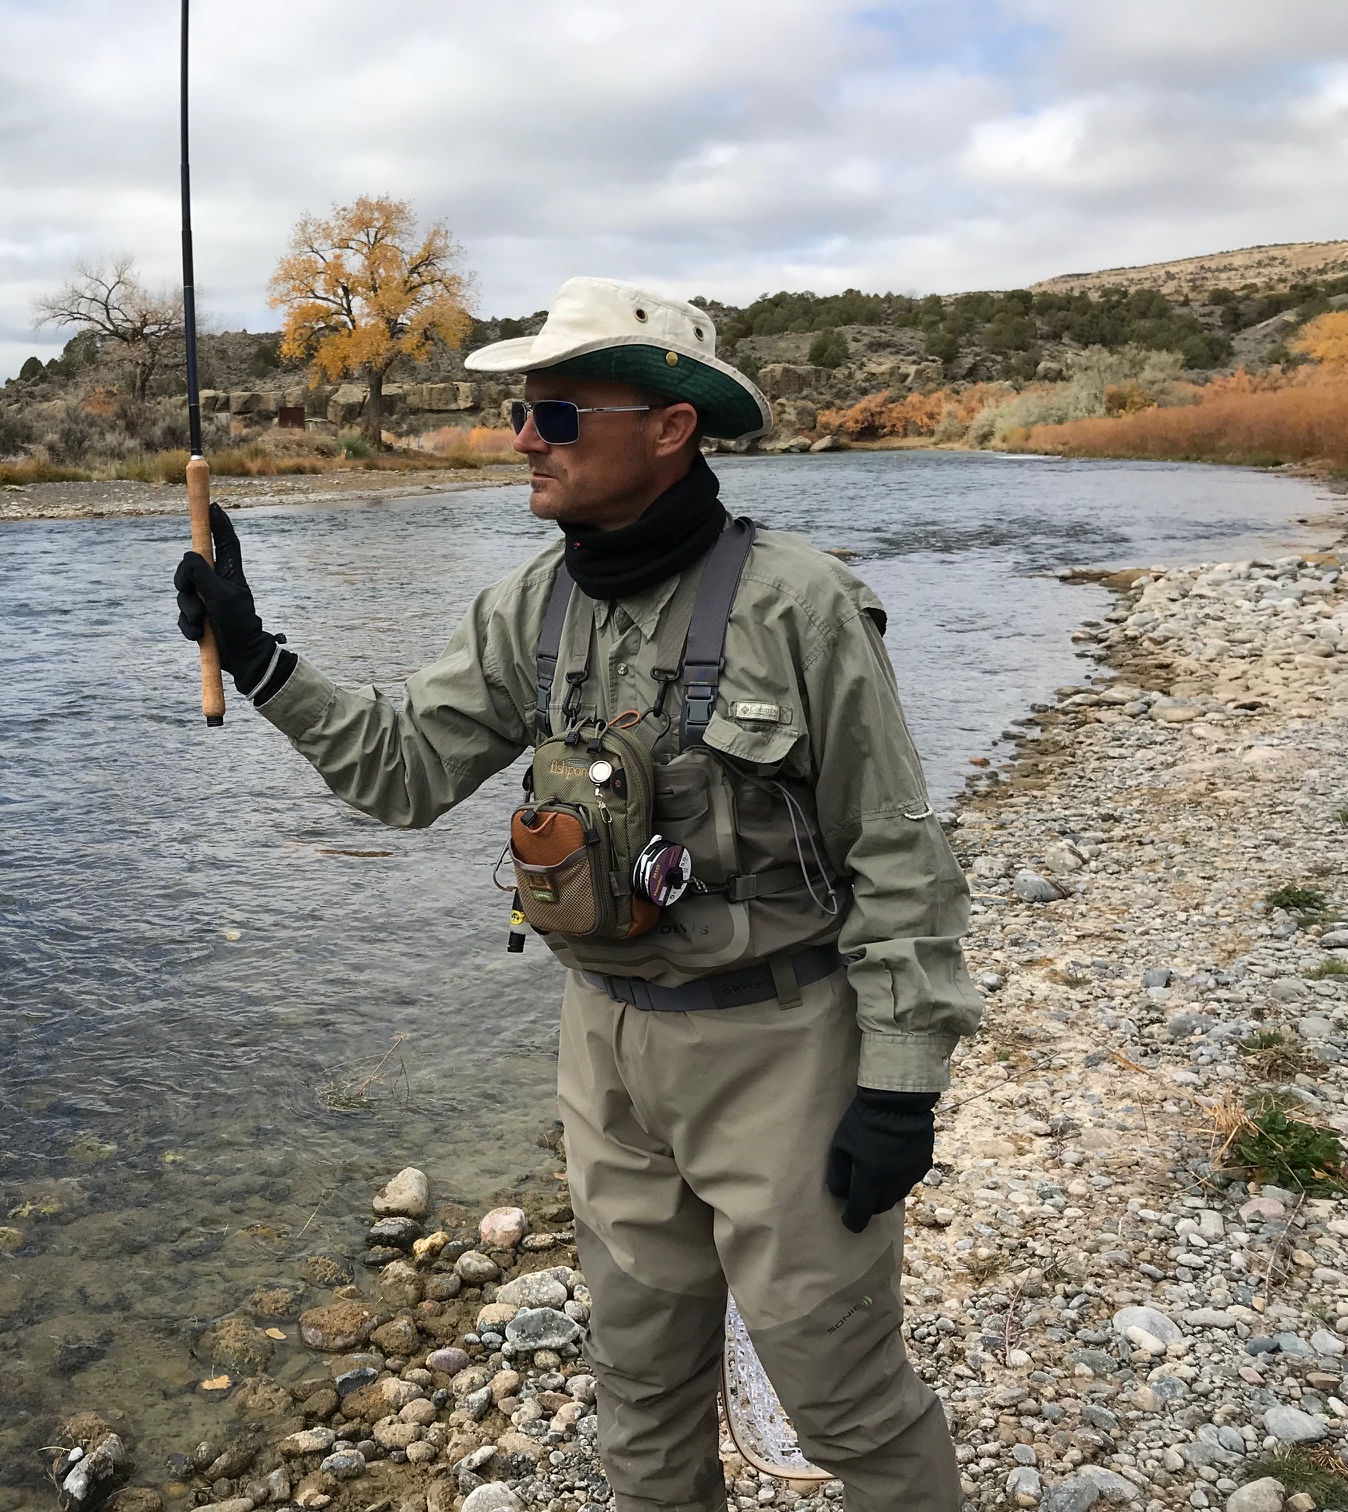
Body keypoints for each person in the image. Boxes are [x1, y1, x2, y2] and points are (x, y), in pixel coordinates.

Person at [174, 277, 981, 1511]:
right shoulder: (523, 611)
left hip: (784, 1050)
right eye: (521, 412)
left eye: (555, 413)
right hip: (601, 1053)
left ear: (670, 426)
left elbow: (897, 852)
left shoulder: (800, 601)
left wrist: (901, 1082)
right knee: (639, 1398)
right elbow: (400, 774)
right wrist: (261, 654)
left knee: (846, 1400)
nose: (521, 439)